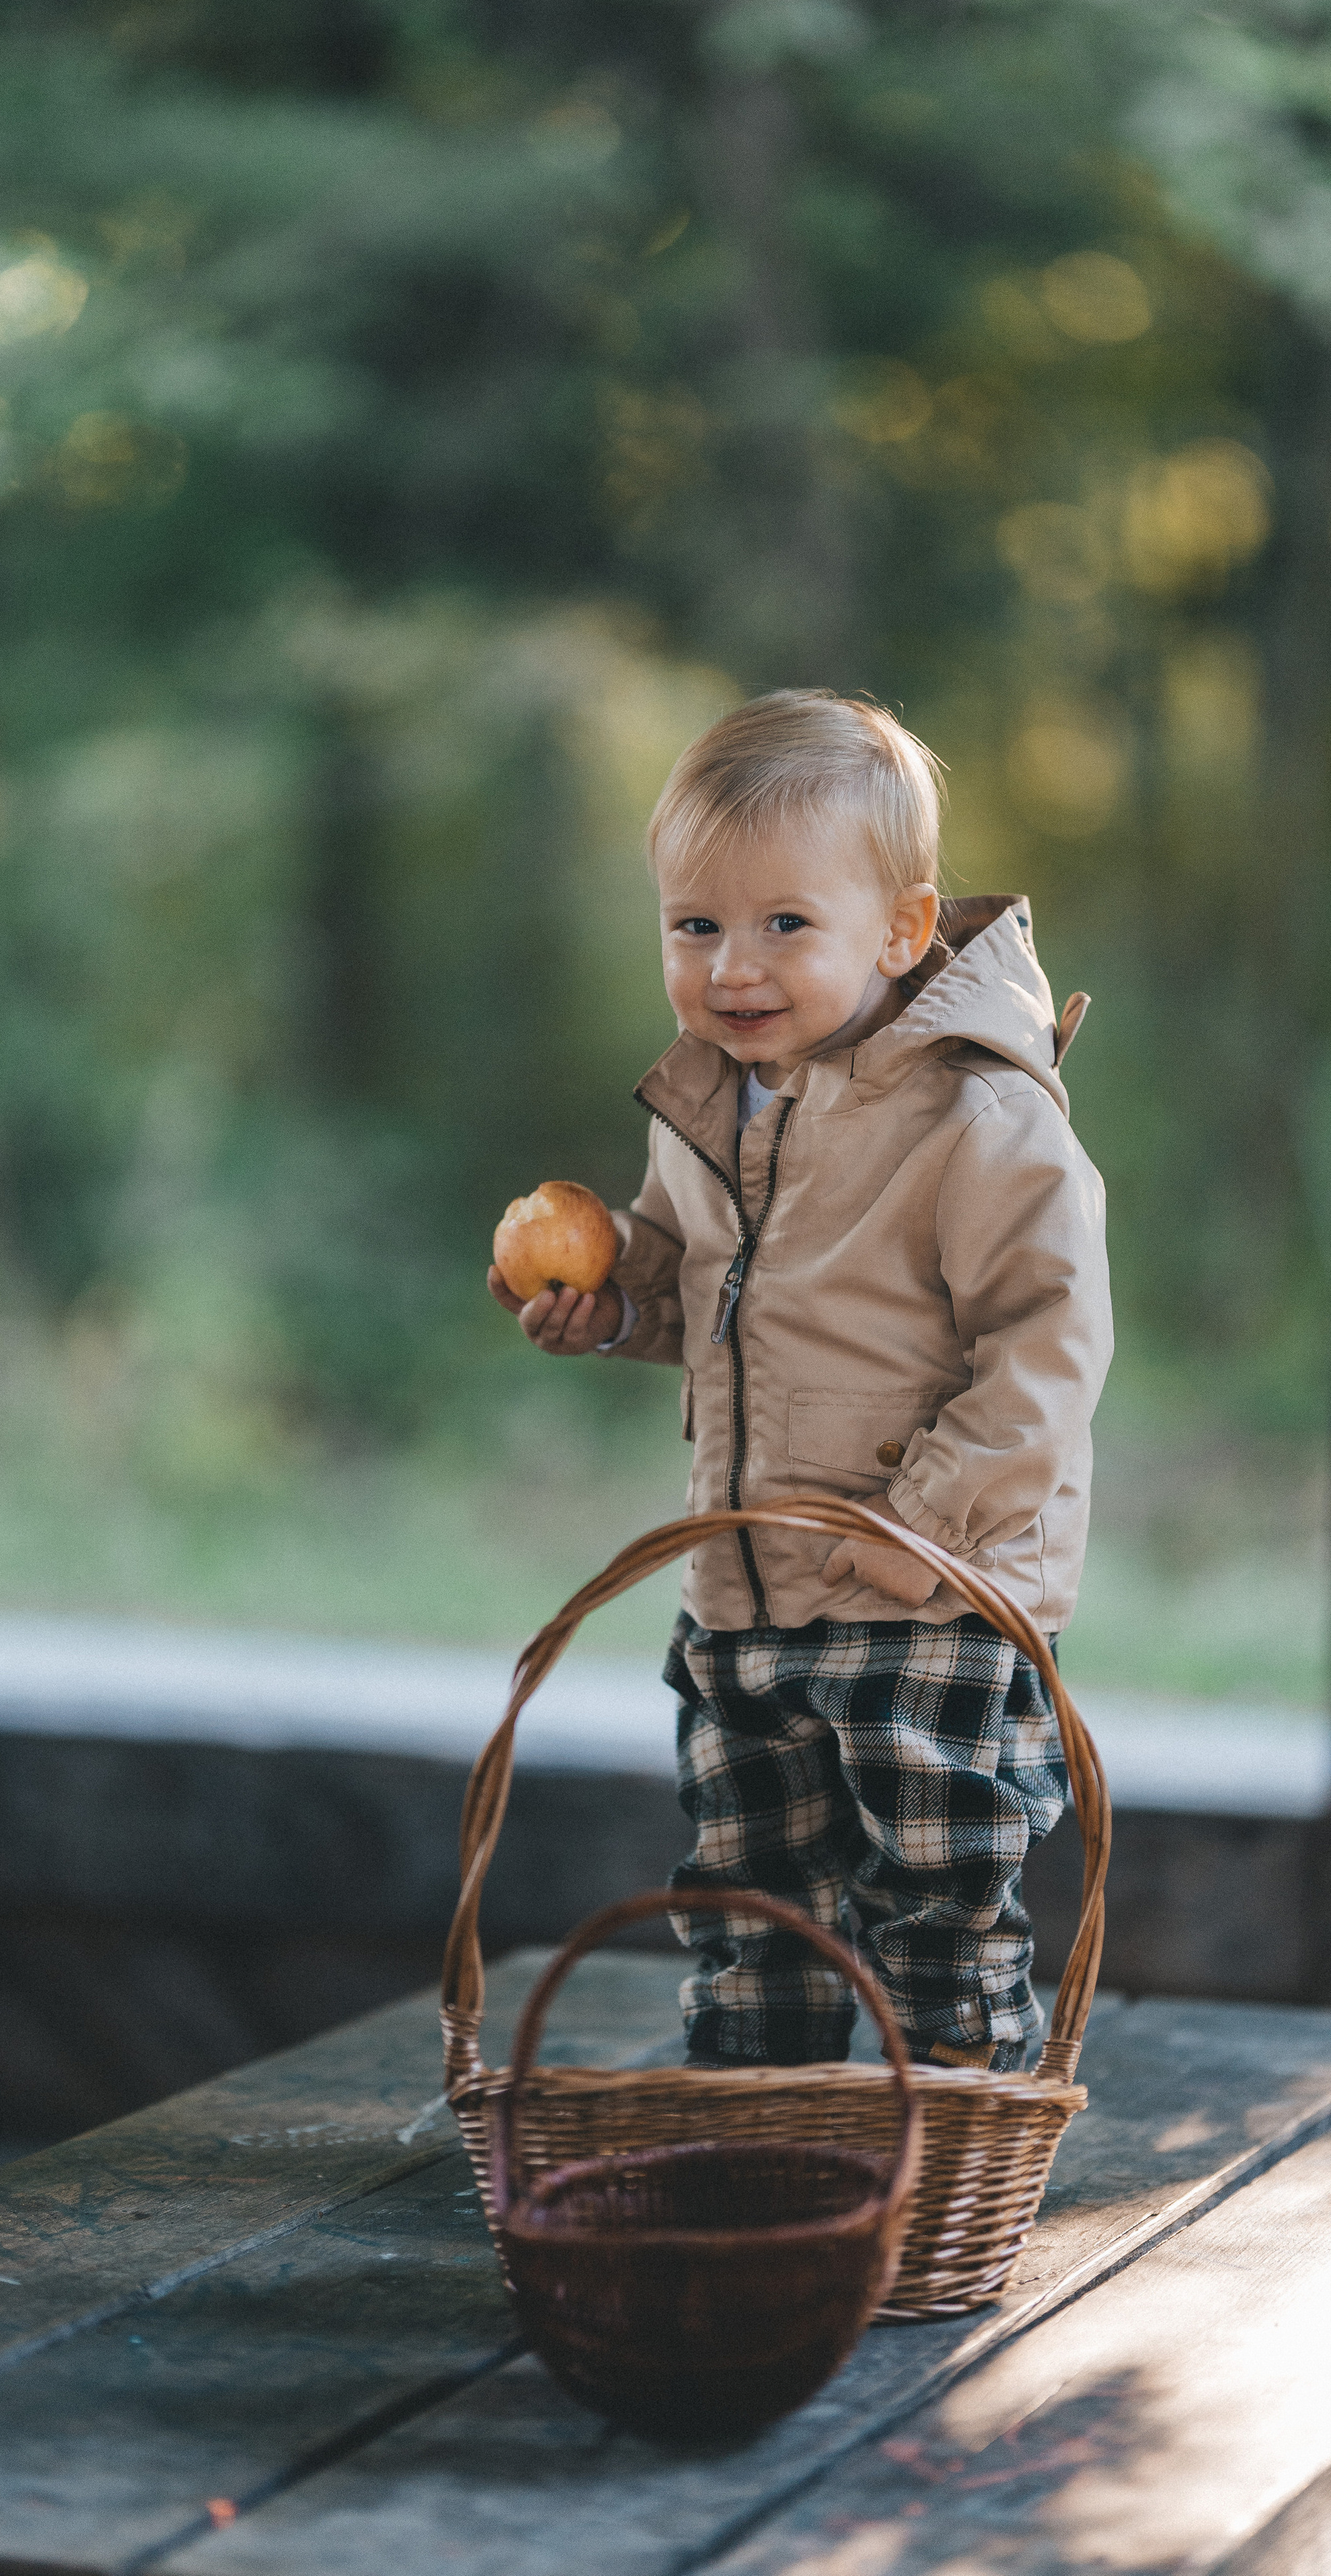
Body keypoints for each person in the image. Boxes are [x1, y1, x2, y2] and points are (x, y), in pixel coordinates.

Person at [487, 689, 1112, 2072]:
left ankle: (943, 2150)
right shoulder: (711, 1105)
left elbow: (1046, 1349)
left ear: (898, 928)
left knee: (937, 1899)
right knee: (748, 1895)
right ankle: (763, 2132)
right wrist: (611, 1306)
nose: (732, 967)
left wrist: (919, 1532)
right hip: (744, 1581)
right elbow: (706, 1293)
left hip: (930, 1594)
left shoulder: (976, 1113)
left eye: (784, 923)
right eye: (694, 926)